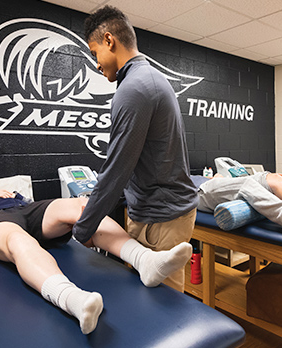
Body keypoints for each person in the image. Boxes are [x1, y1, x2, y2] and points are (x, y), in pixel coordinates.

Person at [0, 185, 193, 335]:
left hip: (26, 210)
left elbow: (34, 209)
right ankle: (74, 300)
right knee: (18, 241)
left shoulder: (8, 195)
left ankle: (145, 261)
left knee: (80, 207)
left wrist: (14, 197)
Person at [74, 5, 198, 292]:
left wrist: (82, 231)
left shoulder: (134, 89)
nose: (96, 64)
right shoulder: (151, 79)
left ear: (109, 40)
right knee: (153, 301)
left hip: (161, 219)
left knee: (163, 308)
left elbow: (117, 169)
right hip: (162, 212)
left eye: (95, 54)